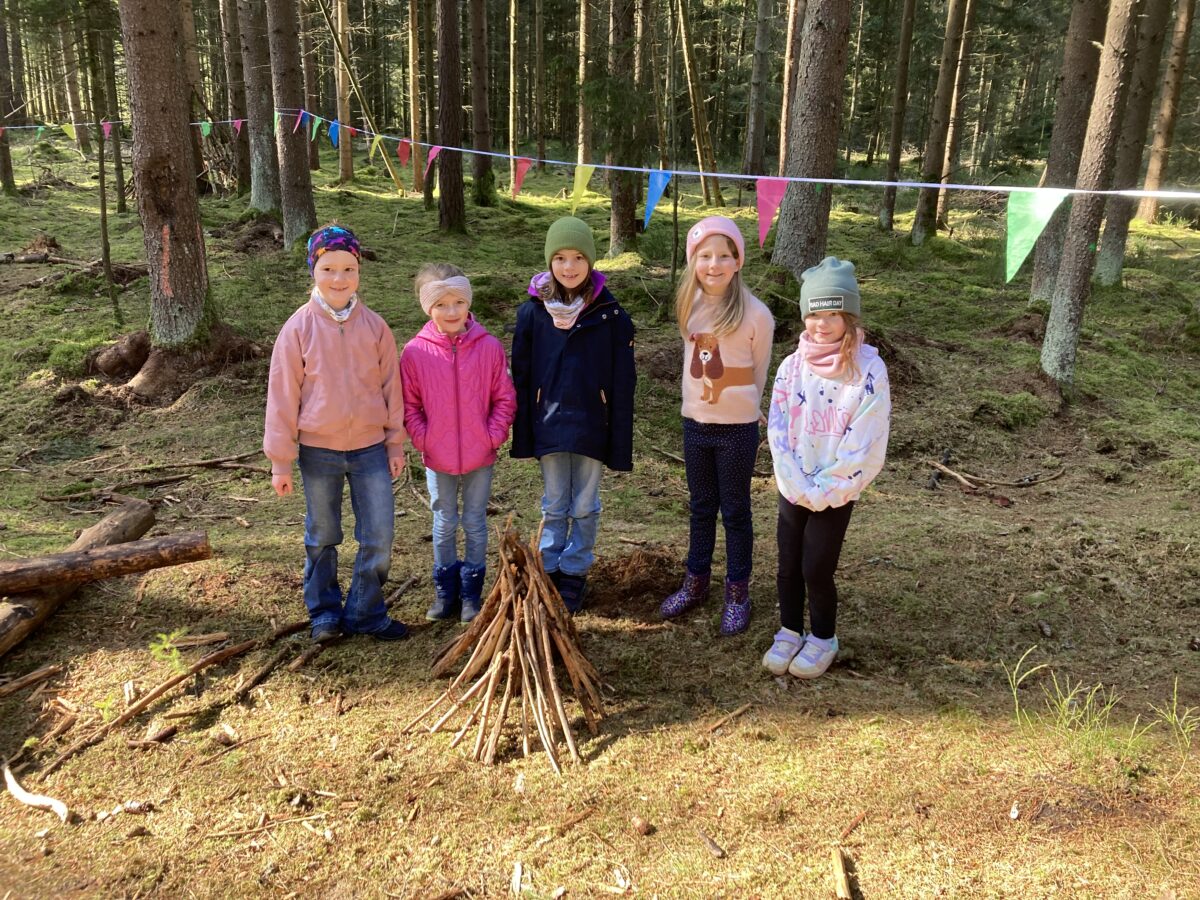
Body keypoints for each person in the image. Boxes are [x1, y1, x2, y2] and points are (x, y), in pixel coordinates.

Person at [263, 224, 409, 644]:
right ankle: (324, 612)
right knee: (323, 534)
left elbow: (390, 389)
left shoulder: (376, 328)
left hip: (369, 450)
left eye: (348, 268)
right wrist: (280, 459)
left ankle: (365, 611)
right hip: (318, 451)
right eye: (329, 268)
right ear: (314, 269)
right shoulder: (297, 329)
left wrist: (394, 442)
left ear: (359, 271)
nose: (339, 278)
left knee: (379, 533)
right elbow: (282, 396)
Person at [763, 256, 891, 678]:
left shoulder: (869, 370)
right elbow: (778, 427)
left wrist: (827, 489)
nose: (821, 323)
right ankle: (789, 629)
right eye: (814, 313)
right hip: (793, 485)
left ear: (848, 315)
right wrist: (793, 481)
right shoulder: (790, 367)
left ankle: (822, 638)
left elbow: (866, 439)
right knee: (788, 562)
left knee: (816, 564)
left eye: (832, 313)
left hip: (836, 488)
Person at [510, 216, 636, 612]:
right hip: (548, 422)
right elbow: (523, 377)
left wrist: (618, 439)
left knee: (583, 503)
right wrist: (524, 431)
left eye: (578, 257)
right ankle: (548, 567)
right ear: (549, 262)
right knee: (553, 502)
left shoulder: (611, 316)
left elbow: (622, 384)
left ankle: (575, 570)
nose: (568, 267)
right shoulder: (532, 314)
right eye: (560, 258)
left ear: (591, 261)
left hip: (591, 425)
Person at [658, 216, 775, 635]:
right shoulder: (688, 306)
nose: (715, 264)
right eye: (705, 255)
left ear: (738, 261)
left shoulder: (757, 315)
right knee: (701, 506)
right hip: (696, 425)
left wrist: (745, 406)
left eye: (724, 255)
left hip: (737, 430)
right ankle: (696, 581)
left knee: (736, 510)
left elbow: (759, 371)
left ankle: (738, 591)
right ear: (693, 261)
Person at [401, 263, 516, 623]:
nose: (451, 312)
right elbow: (409, 406)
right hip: (438, 458)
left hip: (481, 456)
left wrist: (492, 435)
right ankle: (445, 592)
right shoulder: (415, 352)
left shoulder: (489, 347)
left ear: (468, 303)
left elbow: (505, 398)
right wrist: (424, 438)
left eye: (458, 303)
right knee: (444, 522)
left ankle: (471, 594)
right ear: (427, 308)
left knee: (475, 522)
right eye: (441, 305)